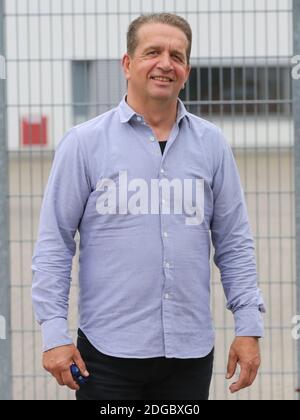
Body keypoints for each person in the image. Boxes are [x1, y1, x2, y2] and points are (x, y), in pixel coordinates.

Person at [32, 13, 265, 401]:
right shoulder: (83, 144)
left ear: (186, 70)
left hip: (190, 354)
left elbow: (234, 243)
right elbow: (54, 243)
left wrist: (248, 327)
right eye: (152, 52)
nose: (165, 63)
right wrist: (53, 333)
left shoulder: (212, 145)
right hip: (107, 354)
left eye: (177, 55)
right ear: (127, 64)